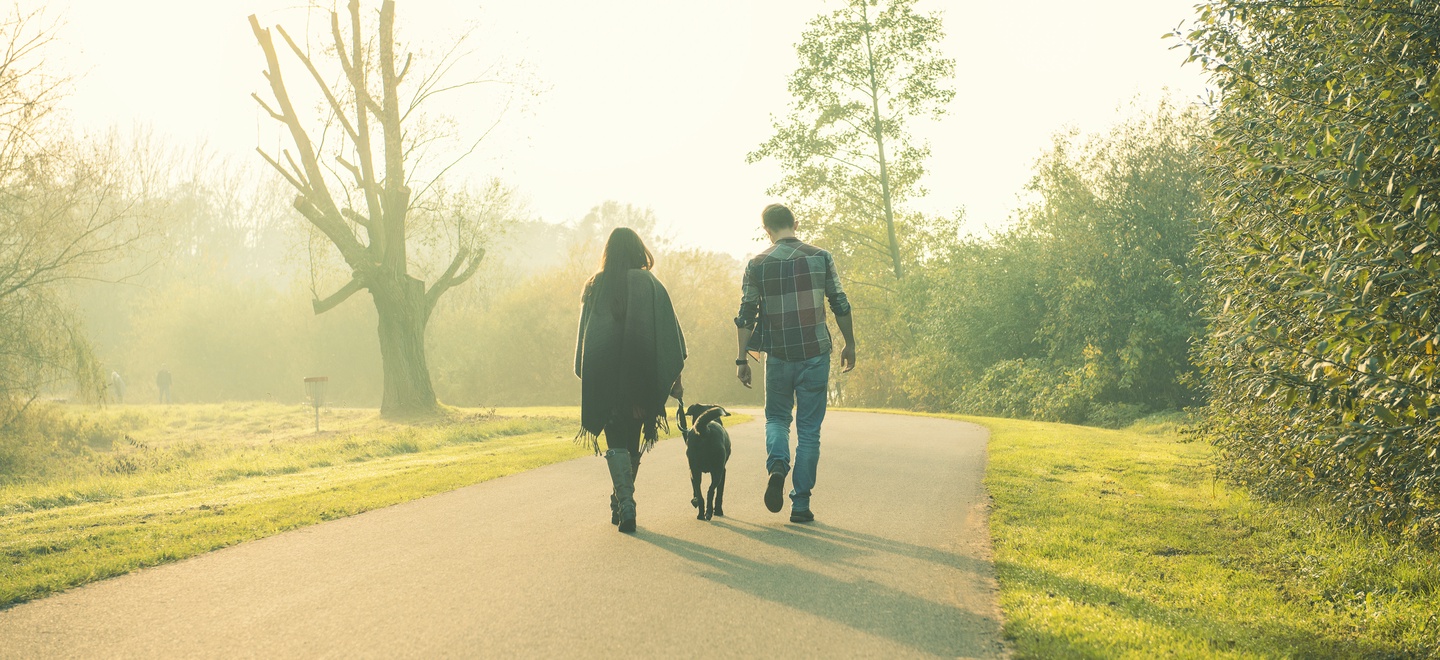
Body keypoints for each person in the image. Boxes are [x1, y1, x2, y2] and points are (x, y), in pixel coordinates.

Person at [735, 204, 856, 523]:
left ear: (766, 230)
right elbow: (840, 302)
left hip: (777, 355)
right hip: (815, 352)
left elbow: (746, 314)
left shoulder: (757, 264)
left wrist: (741, 359)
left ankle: (777, 466)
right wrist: (850, 343)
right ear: (795, 223)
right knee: (809, 431)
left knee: (776, 419)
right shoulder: (820, 257)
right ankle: (800, 504)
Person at [575, 227, 686, 533]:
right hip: (641, 381)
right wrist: (673, 378)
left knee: (616, 442)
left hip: (606, 382)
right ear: (639, 249)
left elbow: (587, 340)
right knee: (633, 441)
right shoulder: (650, 283)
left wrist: (593, 377)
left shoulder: (595, 284)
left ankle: (624, 502)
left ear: (608, 251)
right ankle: (625, 502)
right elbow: (667, 338)